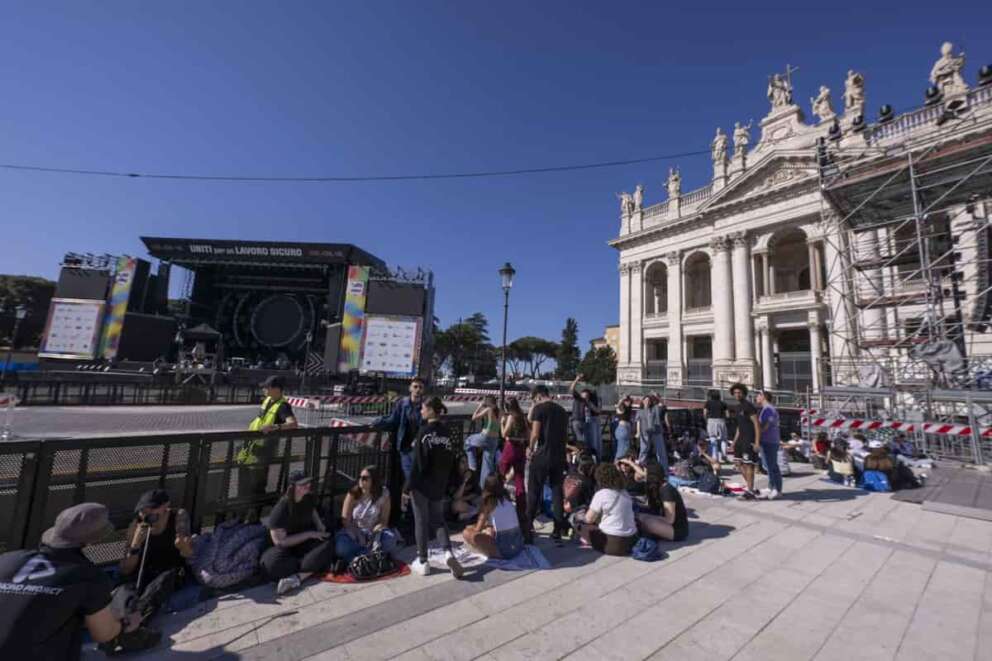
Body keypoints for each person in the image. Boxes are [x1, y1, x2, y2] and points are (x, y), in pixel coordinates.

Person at [0, 503, 159, 659]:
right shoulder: (87, 575)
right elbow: (104, 634)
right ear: (91, 541)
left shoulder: (7, 559)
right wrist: (127, 623)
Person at [405, 396, 464, 578]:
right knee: (438, 521)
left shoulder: (424, 432)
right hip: (439, 484)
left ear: (431, 410)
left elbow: (418, 464)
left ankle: (423, 561)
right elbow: (451, 460)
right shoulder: (447, 433)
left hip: (422, 485)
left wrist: (407, 487)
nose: (421, 411)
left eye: (423, 408)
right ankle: (448, 553)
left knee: (421, 521)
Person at [118, 489, 194, 621]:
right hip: (145, 570)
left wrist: (183, 546)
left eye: (151, 510)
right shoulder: (136, 525)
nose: (146, 514)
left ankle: (138, 619)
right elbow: (125, 569)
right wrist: (135, 545)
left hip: (170, 570)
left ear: (165, 506)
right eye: (143, 511)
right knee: (125, 588)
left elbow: (189, 555)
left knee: (159, 584)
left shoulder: (178, 517)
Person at [260, 471, 334, 595]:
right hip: (286, 548)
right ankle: (311, 567)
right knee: (271, 565)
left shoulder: (308, 497)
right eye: (302, 484)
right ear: (292, 487)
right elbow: (280, 542)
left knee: (328, 543)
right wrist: (310, 534)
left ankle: (297, 578)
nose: (307, 485)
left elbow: (312, 511)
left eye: (308, 482)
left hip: (305, 544)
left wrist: (319, 525)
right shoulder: (282, 508)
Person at [372, 378, 425, 523]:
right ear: (410, 388)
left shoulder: (425, 406)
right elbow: (393, 420)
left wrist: (418, 440)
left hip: (418, 450)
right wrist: (378, 422)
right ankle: (406, 514)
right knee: (406, 481)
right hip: (403, 449)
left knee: (412, 482)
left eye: (420, 387)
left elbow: (426, 426)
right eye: (415, 386)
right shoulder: (402, 403)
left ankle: (412, 514)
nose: (417, 389)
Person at [526, 385, 570, 542]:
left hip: (542, 455)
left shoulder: (540, 409)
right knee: (557, 492)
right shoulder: (562, 411)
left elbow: (535, 433)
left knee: (533, 491)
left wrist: (530, 448)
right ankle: (558, 530)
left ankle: (528, 526)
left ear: (537, 395)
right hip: (558, 456)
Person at [335, 465, 399, 565]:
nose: (361, 480)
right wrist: (357, 533)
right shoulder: (353, 493)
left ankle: (359, 556)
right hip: (354, 531)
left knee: (390, 540)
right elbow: (345, 520)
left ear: (373, 480)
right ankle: (368, 555)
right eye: (360, 477)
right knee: (341, 547)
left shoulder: (384, 494)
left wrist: (373, 534)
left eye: (364, 478)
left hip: (373, 532)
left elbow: (384, 520)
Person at [577, 463, 638, 556]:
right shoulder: (625, 492)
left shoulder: (602, 494)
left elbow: (589, 519)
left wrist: (579, 516)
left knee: (579, 524)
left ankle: (587, 540)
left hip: (611, 544)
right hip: (630, 541)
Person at [462, 475, 526, 560]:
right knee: (489, 529)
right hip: (518, 546)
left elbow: (478, 529)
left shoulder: (489, 502)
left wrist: (471, 528)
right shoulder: (507, 498)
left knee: (466, 533)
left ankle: (484, 551)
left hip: (504, 551)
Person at [634, 468, 690, 542]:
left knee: (645, 521)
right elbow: (637, 479)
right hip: (666, 523)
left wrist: (646, 517)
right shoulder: (655, 487)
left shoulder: (666, 490)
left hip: (677, 530)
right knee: (638, 516)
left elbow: (670, 520)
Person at [499, 396, 529, 529]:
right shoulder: (522, 416)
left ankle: (498, 501)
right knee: (519, 479)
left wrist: (502, 423)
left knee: (501, 472)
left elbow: (504, 434)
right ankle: (521, 510)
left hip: (511, 445)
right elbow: (528, 435)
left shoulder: (510, 417)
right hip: (521, 447)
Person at [730, 383, 761, 500]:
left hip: (749, 439)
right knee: (738, 463)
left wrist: (757, 442)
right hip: (740, 439)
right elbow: (739, 426)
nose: (737, 394)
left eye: (739, 392)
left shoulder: (749, 406)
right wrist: (733, 442)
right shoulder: (737, 407)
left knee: (749, 465)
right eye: (735, 393)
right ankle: (751, 488)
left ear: (744, 393)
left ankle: (750, 491)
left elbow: (756, 424)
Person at [465, 396, 501, 489]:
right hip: (495, 439)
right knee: (487, 464)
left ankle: (472, 465)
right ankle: (484, 487)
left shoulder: (488, 409)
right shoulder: (500, 411)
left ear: (488, 403)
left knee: (468, 442)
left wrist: (479, 407)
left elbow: (474, 417)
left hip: (486, 436)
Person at [755, 390, 783, 500]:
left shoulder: (769, 409)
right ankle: (771, 486)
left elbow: (766, 426)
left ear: (763, 397)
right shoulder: (766, 409)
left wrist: (757, 433)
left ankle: (777, 489)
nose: (756, 397)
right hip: (768, 441)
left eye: (758, 395)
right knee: (768, 465)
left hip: (769, 441)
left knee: (771, 466)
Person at [636, 395, 667, 470]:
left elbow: (663, 404)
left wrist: (657, 397)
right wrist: (638, 432)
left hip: (656, 432)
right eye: (645, 400)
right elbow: (638, 422)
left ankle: (664, 469)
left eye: (648, 401)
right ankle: (640, 468)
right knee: (644, 450)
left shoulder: (654, 408)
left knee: (660, 451)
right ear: (643, 402)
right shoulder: (640, 411)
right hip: (645, 433)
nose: (647, 402)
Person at [703, 390, 729, 462]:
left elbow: (705, 413)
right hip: (721, 420)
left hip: (711, 420)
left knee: (713, 438)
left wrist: (706, 421)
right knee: (724, 439)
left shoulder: (708, 403)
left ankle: (715, 457)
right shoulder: (723, 403)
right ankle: (724, 455)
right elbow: (727, 415)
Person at [568, 374, 591, 447]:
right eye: (585, 393)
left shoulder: (586, 402)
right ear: (581, 394)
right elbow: (572, 389)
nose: (586, 395)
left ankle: (581, 453)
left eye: (588, 395)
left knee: (581, 440)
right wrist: (577, 379)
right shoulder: (578, 398)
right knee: (580, 440)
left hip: (583, 422)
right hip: (576, 421)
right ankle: (580, 453)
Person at [613, 395, 634, 461]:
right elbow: (618, 406)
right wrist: (622, 399)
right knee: (622, 450)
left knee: (623, 449)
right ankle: (617, 465)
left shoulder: (628, 409)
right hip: (623, 429)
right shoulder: (621, 408)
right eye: (626, 401)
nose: (628, 402)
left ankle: (617, 464)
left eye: (629, 401)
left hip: (625, 430)